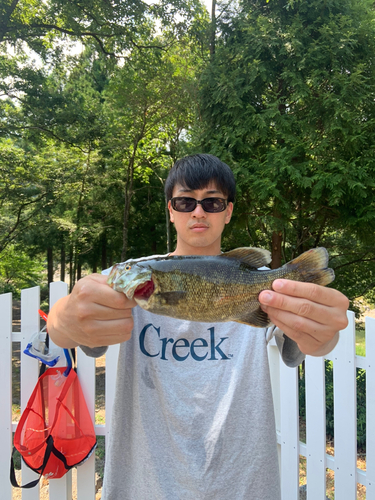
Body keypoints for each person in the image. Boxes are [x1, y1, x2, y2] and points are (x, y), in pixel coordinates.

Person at [47, 154, 349, 500]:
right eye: (186, 201)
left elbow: (307, 342)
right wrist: (63, 317)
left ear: (228, 211)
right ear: (171, 209)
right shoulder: (130, 278)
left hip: (243, 482)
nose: (198, 211)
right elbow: (65, 331)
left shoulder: (269, 289)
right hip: (144, 483)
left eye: (212, 202)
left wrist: (323, 334)